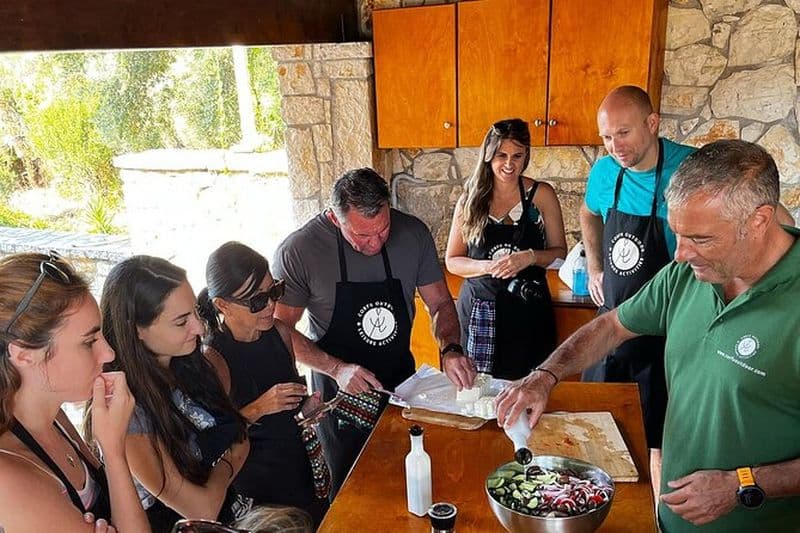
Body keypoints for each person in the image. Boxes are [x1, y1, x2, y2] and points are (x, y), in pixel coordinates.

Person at [497, 139, 800, 532]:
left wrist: (741, 484)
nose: (681, 254)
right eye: (679, 235)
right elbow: (611, 325)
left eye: (701, 239)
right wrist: (545, 375)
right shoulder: (687, 274)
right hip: (670, 520)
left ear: (759, 220)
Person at [273, 167, 476, 496]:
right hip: (339, 399)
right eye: (362, 236)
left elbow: (440, 304)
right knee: (351, 494)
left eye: (382, 230)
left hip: (402, 392)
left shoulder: (412, 235)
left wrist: (451, 348)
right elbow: (279, 330)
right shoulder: (300, 250)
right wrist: (337, 368)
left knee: (410, 483)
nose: (376, 242)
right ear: (337, 220)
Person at [579, 85, 696, 492]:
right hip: (611, 324)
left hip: (666, 334)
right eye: (607, 137)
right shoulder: (605, 170)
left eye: (623, 134)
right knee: (593, 432)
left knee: (655, 448)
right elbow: (589, 213)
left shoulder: (690, 170)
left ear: (652, 123)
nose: (615, 147)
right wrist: (594, 266)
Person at [99, 256, 253, 532]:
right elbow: (200, 509)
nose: (199, 327)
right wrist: (229, 462)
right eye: (181, 321)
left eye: (195, 312)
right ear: (136, 330)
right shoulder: (128, 411)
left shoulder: (192, 364)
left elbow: (240, 439)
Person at [0, 252, 150, 532]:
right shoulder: (9, 477)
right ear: (23, 355)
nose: (108, 352)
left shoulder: (54, 417)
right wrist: (114, 450)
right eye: (88, 342)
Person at [196, 242, 329, 526]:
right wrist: (259, 407)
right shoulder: (214, 359)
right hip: (256, 496)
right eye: (257, 301)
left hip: (300, 478)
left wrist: (306, 409)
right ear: (222, 305)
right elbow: (209, 444)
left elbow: (286, 414)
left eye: (274, 292)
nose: (271, 305)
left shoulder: (280, 333)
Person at [445, 118, 567, 380]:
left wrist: (530, 257)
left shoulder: (541, 195)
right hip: (481, 310)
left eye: (517, 156)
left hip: (529, 311)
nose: (510, 164)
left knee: (530, 387)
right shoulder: (470, 198)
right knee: (479, 389)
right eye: (502, 155)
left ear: (526, 157)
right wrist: (488, 266)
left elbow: (560, 254)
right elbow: (453, 260)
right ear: (488, 155)